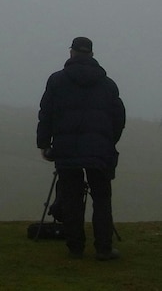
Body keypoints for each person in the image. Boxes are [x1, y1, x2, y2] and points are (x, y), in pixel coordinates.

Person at [37, 36, 125, 261]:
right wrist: (108, 140)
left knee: (71, 199)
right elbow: (119, 117)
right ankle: (103, 248)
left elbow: (45, 113)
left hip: (66, 150)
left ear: (72, 53)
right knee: (102, 199)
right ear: (92, 55)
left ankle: (75, 247)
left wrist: (45, 144)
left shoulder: (56, 81)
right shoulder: (108, 84)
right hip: (100, 151)